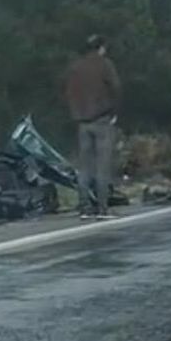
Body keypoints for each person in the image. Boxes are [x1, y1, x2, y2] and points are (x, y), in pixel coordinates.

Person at [64, 34, 122, 220]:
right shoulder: (105, 65)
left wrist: (76, 113)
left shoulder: (75, 67)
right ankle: (102, 207)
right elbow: (116, 88)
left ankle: (84, 206)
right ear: (101, 48)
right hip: (102, 120)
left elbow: (68, 92)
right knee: (102, 166)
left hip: (82, 122)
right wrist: (114, 113)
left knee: (85, 166)